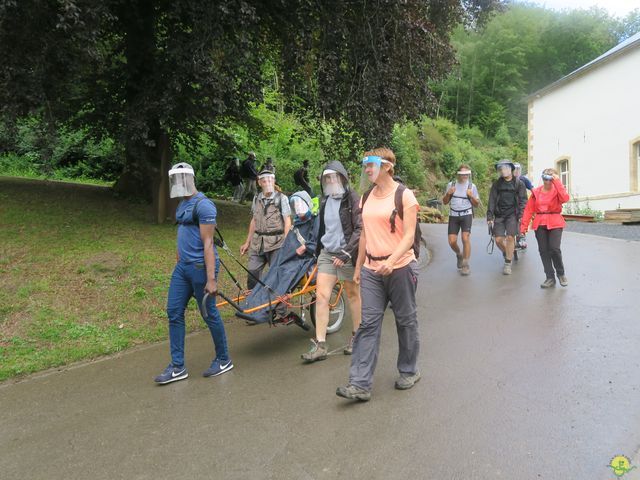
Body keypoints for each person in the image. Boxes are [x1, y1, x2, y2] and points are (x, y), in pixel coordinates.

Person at [336, 147, 420, 402]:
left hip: (401, 267)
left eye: (371, 164)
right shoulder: (366, 197)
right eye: (365, 165)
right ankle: (360, 384)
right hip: (373, 270)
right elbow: (364, 235)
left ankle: (409, 370)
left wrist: (392, 261)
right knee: (368, 324)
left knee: (405, 320)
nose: (367, 169)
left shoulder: (405, 197)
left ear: (386, 166)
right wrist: (359, 266)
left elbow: (408, 236)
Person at [154, 162, 232, 384]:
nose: (177, 184)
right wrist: (179, 258)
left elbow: (208, 244)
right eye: (174, 179)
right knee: (174, 312)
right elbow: (183, 232)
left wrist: (211, 279)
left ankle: (224, 359)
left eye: (180, 179)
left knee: (209, 314)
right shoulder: (182, 204)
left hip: (200, 269)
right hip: (183, 268)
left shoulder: (204, 206)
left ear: (189, 180)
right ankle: (178, 367)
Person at [301, 161, 362, 362]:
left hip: (347, 254)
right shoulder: (323, 200)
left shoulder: (351, 198)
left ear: (342, 178)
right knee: (321, 296)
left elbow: (360, 229)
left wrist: (346, 253)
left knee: (352, 294)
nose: (331, 180)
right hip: (327, 253)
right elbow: (318, 227)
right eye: (327, 178)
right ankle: (320, 345)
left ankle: (357, 337)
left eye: (334, 177)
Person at [240, 190, 318, 326]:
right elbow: (290, 242)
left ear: (308, 204)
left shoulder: (315, 221)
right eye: (295, 206)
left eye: (301, 204)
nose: (298, 208)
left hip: (303, 260)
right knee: (271, 273)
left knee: (284, 275)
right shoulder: (298, 222)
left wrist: (305, 247)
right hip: (289, 258)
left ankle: (265, 310)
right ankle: (252, 305)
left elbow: (316, 242)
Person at [240, 169, 291, 290]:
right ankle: (254, 304)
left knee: (277, 276)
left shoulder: (282, 198)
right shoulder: (256, 198)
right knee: (252, 275)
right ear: (259, 183)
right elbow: (254, 220)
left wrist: (286, 242)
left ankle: (277, 307)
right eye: (264, 181)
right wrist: (247, 242)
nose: (268, 183)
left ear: (273, 181)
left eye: (270, 180)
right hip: (258, 243)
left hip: (276, 243)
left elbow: (287, 220)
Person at [520, 168, 570, 288]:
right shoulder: (536, 192)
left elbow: (565, 198)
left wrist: (557, 182)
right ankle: (550, 277)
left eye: (550, 178)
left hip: (555, 221)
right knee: (543, 251)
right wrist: (523, 228)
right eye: (545, 178)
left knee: (554, 248)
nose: (547, 181)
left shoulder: (558, 190)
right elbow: (528, 210)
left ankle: (561, 273)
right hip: (540, 222)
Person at [487, 160, 528, 275]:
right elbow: (492, 200)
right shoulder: (497, 184)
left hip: (512, 215)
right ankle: (508, 252)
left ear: (511, 169)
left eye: (505, 168)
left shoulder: (519, 184)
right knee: (498, 240)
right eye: (501, 169)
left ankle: (507, 263)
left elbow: (523, 201)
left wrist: (521, 215)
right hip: (499, 215)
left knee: (510, 237)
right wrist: (490, 216)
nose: (503, 171)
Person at [442, 164, 479, 276]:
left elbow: (476, 204)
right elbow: (444, 201)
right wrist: (449, 193)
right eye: (462, 174)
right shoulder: (451, 185)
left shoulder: (472, 186)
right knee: (452, 241)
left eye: (467, 174)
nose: (465, 176)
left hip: (466, 214)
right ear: (458, 174)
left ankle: (465, 264)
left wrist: (471, 196)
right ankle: (459, 254)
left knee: (465, 237)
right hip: (453, 215)